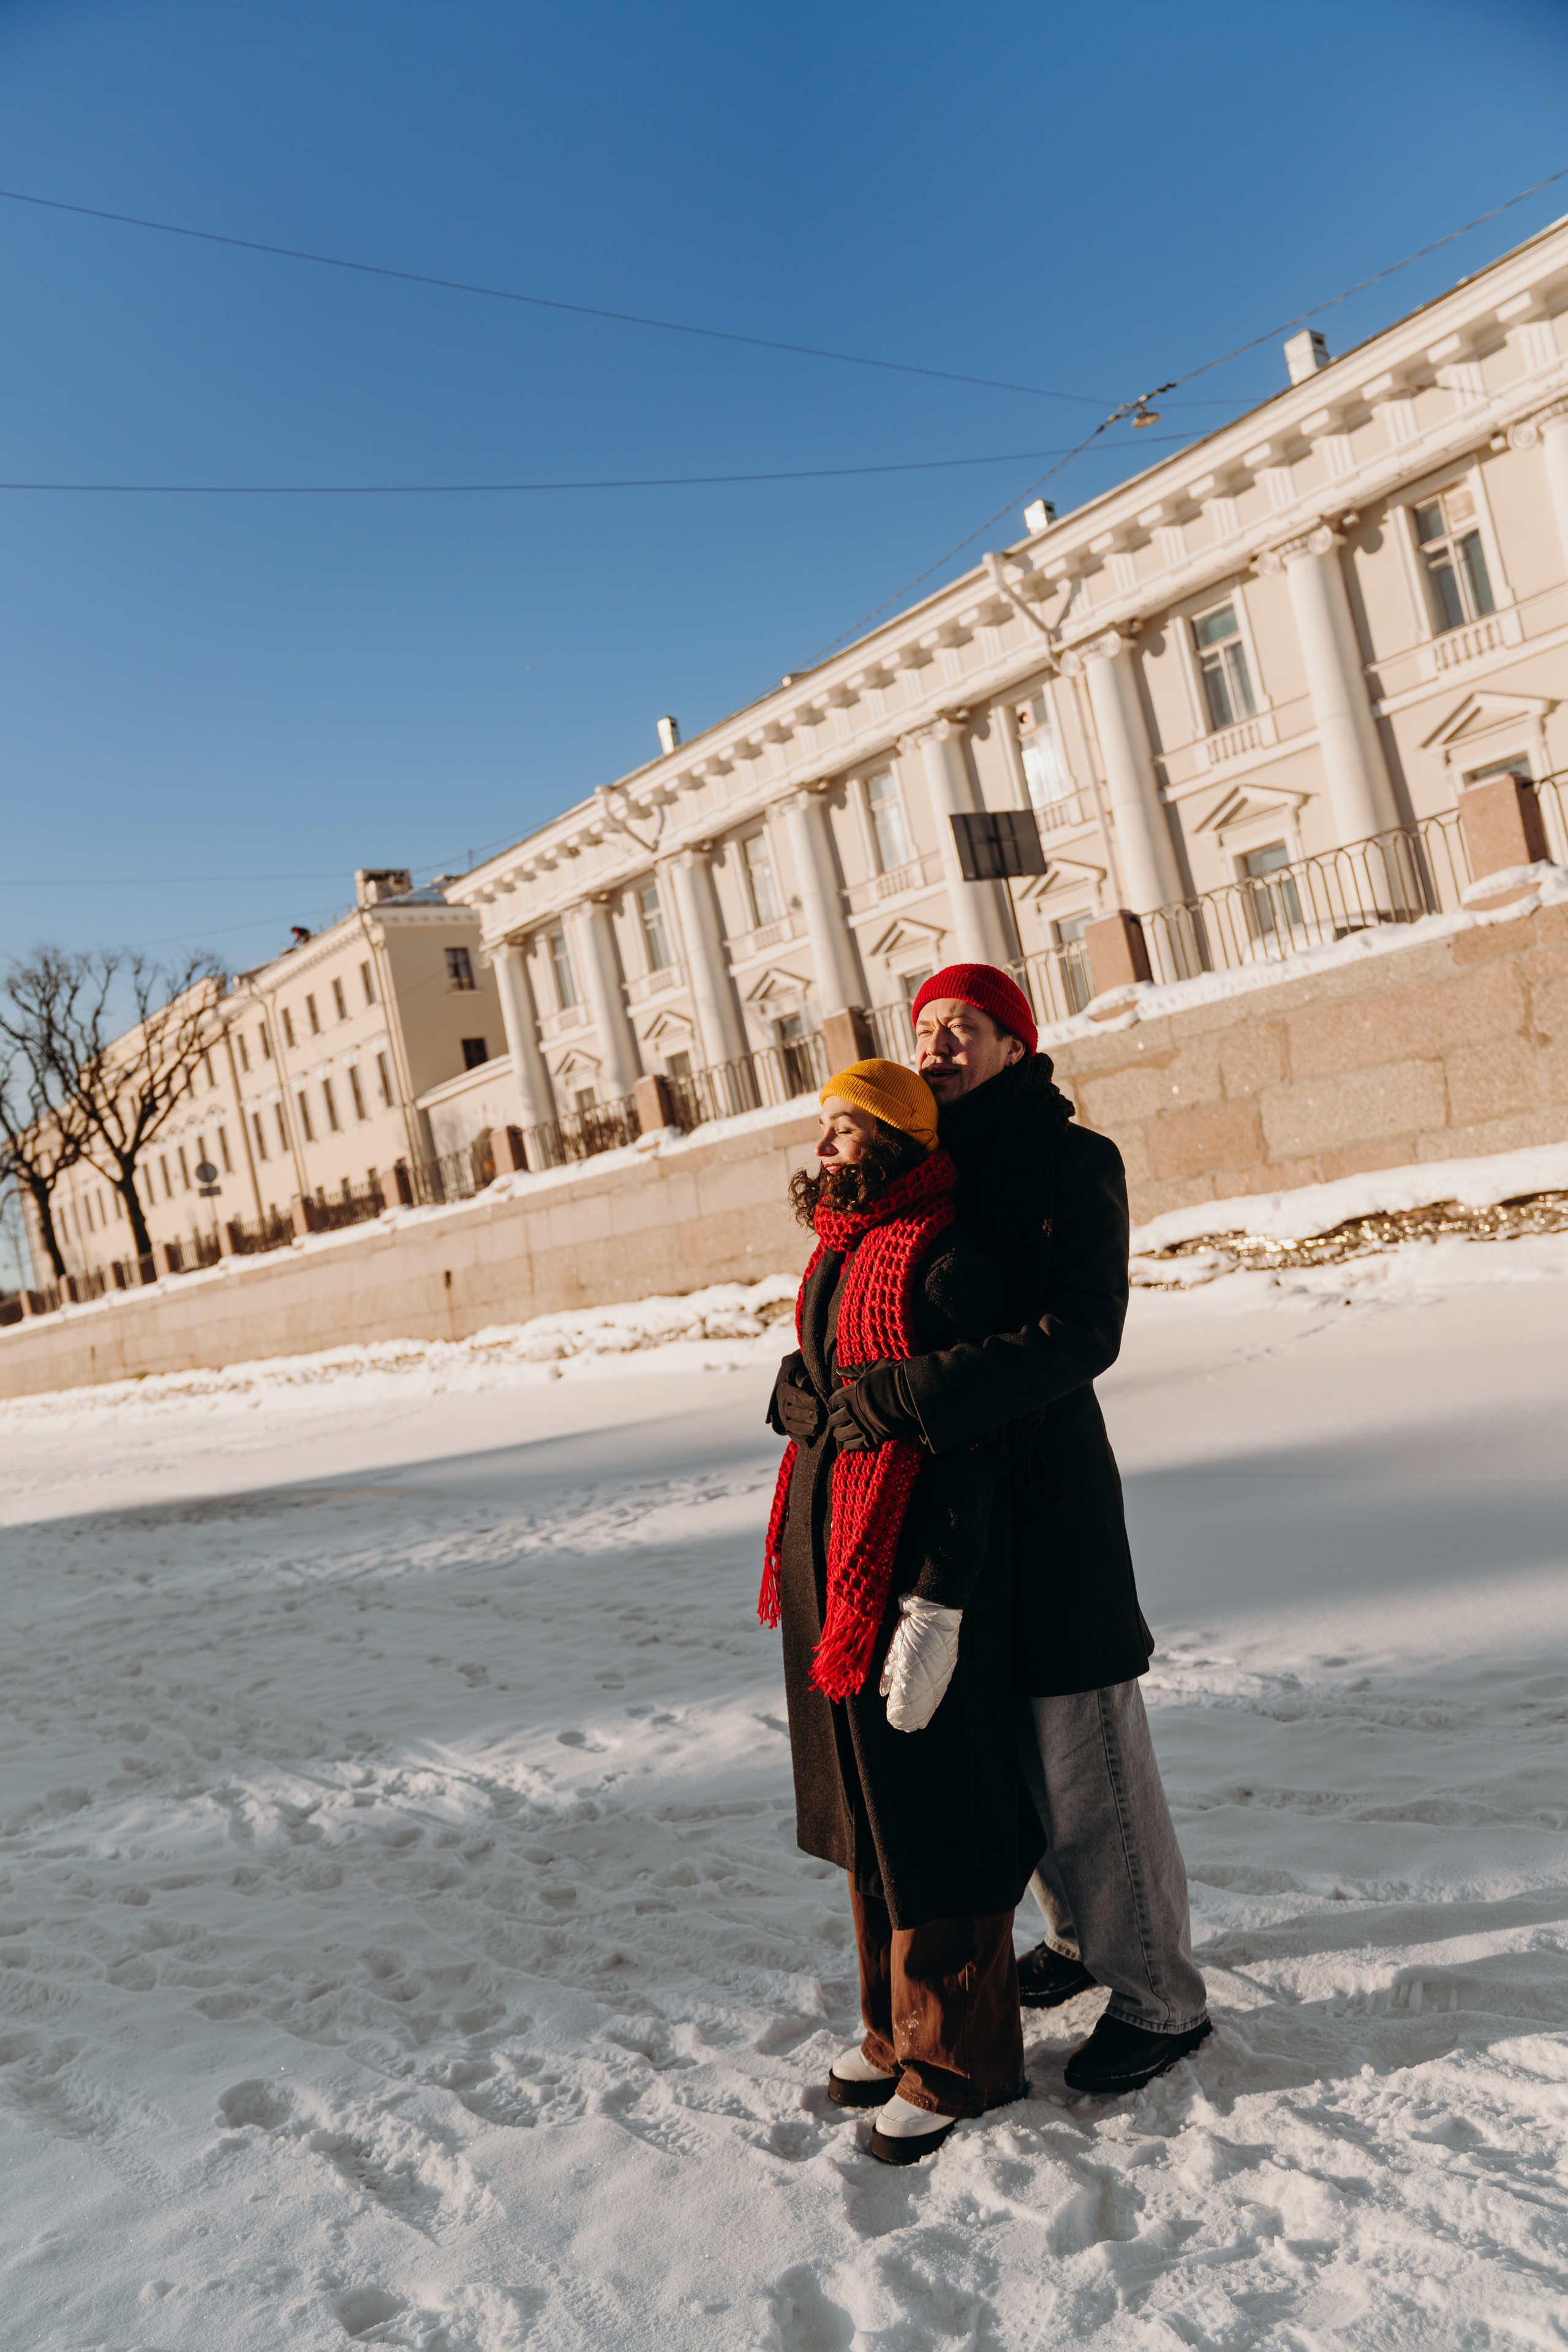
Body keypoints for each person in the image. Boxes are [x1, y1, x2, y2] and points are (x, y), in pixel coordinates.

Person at [823, 967, 1211, 2097]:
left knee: (1087, 1759)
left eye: (965, 1027)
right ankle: (1082, 1942)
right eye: (927, 1027)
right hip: (953, 1519)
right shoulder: (925, 1162)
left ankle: (1161, 1998)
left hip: (1048, 1506)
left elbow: (1082, 1330)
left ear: (1013, 1042)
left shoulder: (1070, 1160)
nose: (940, 1044)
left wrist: (910, 1396)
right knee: (1005, 1758)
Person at [761, 1058, 1043, 2166]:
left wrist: (941, 1598)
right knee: (870, 1818)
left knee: (941, 1817)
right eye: (824, 1126)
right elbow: (838, 1374)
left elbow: (974, 1443)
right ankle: (893, 2029)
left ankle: (960, 2058)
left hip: (915, 1576)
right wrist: (794, 1387)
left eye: (846, 1127)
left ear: (897, 1140)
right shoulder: (843, 1250)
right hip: (835, 1575)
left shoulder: (947, 1257)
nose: (824, 1144)